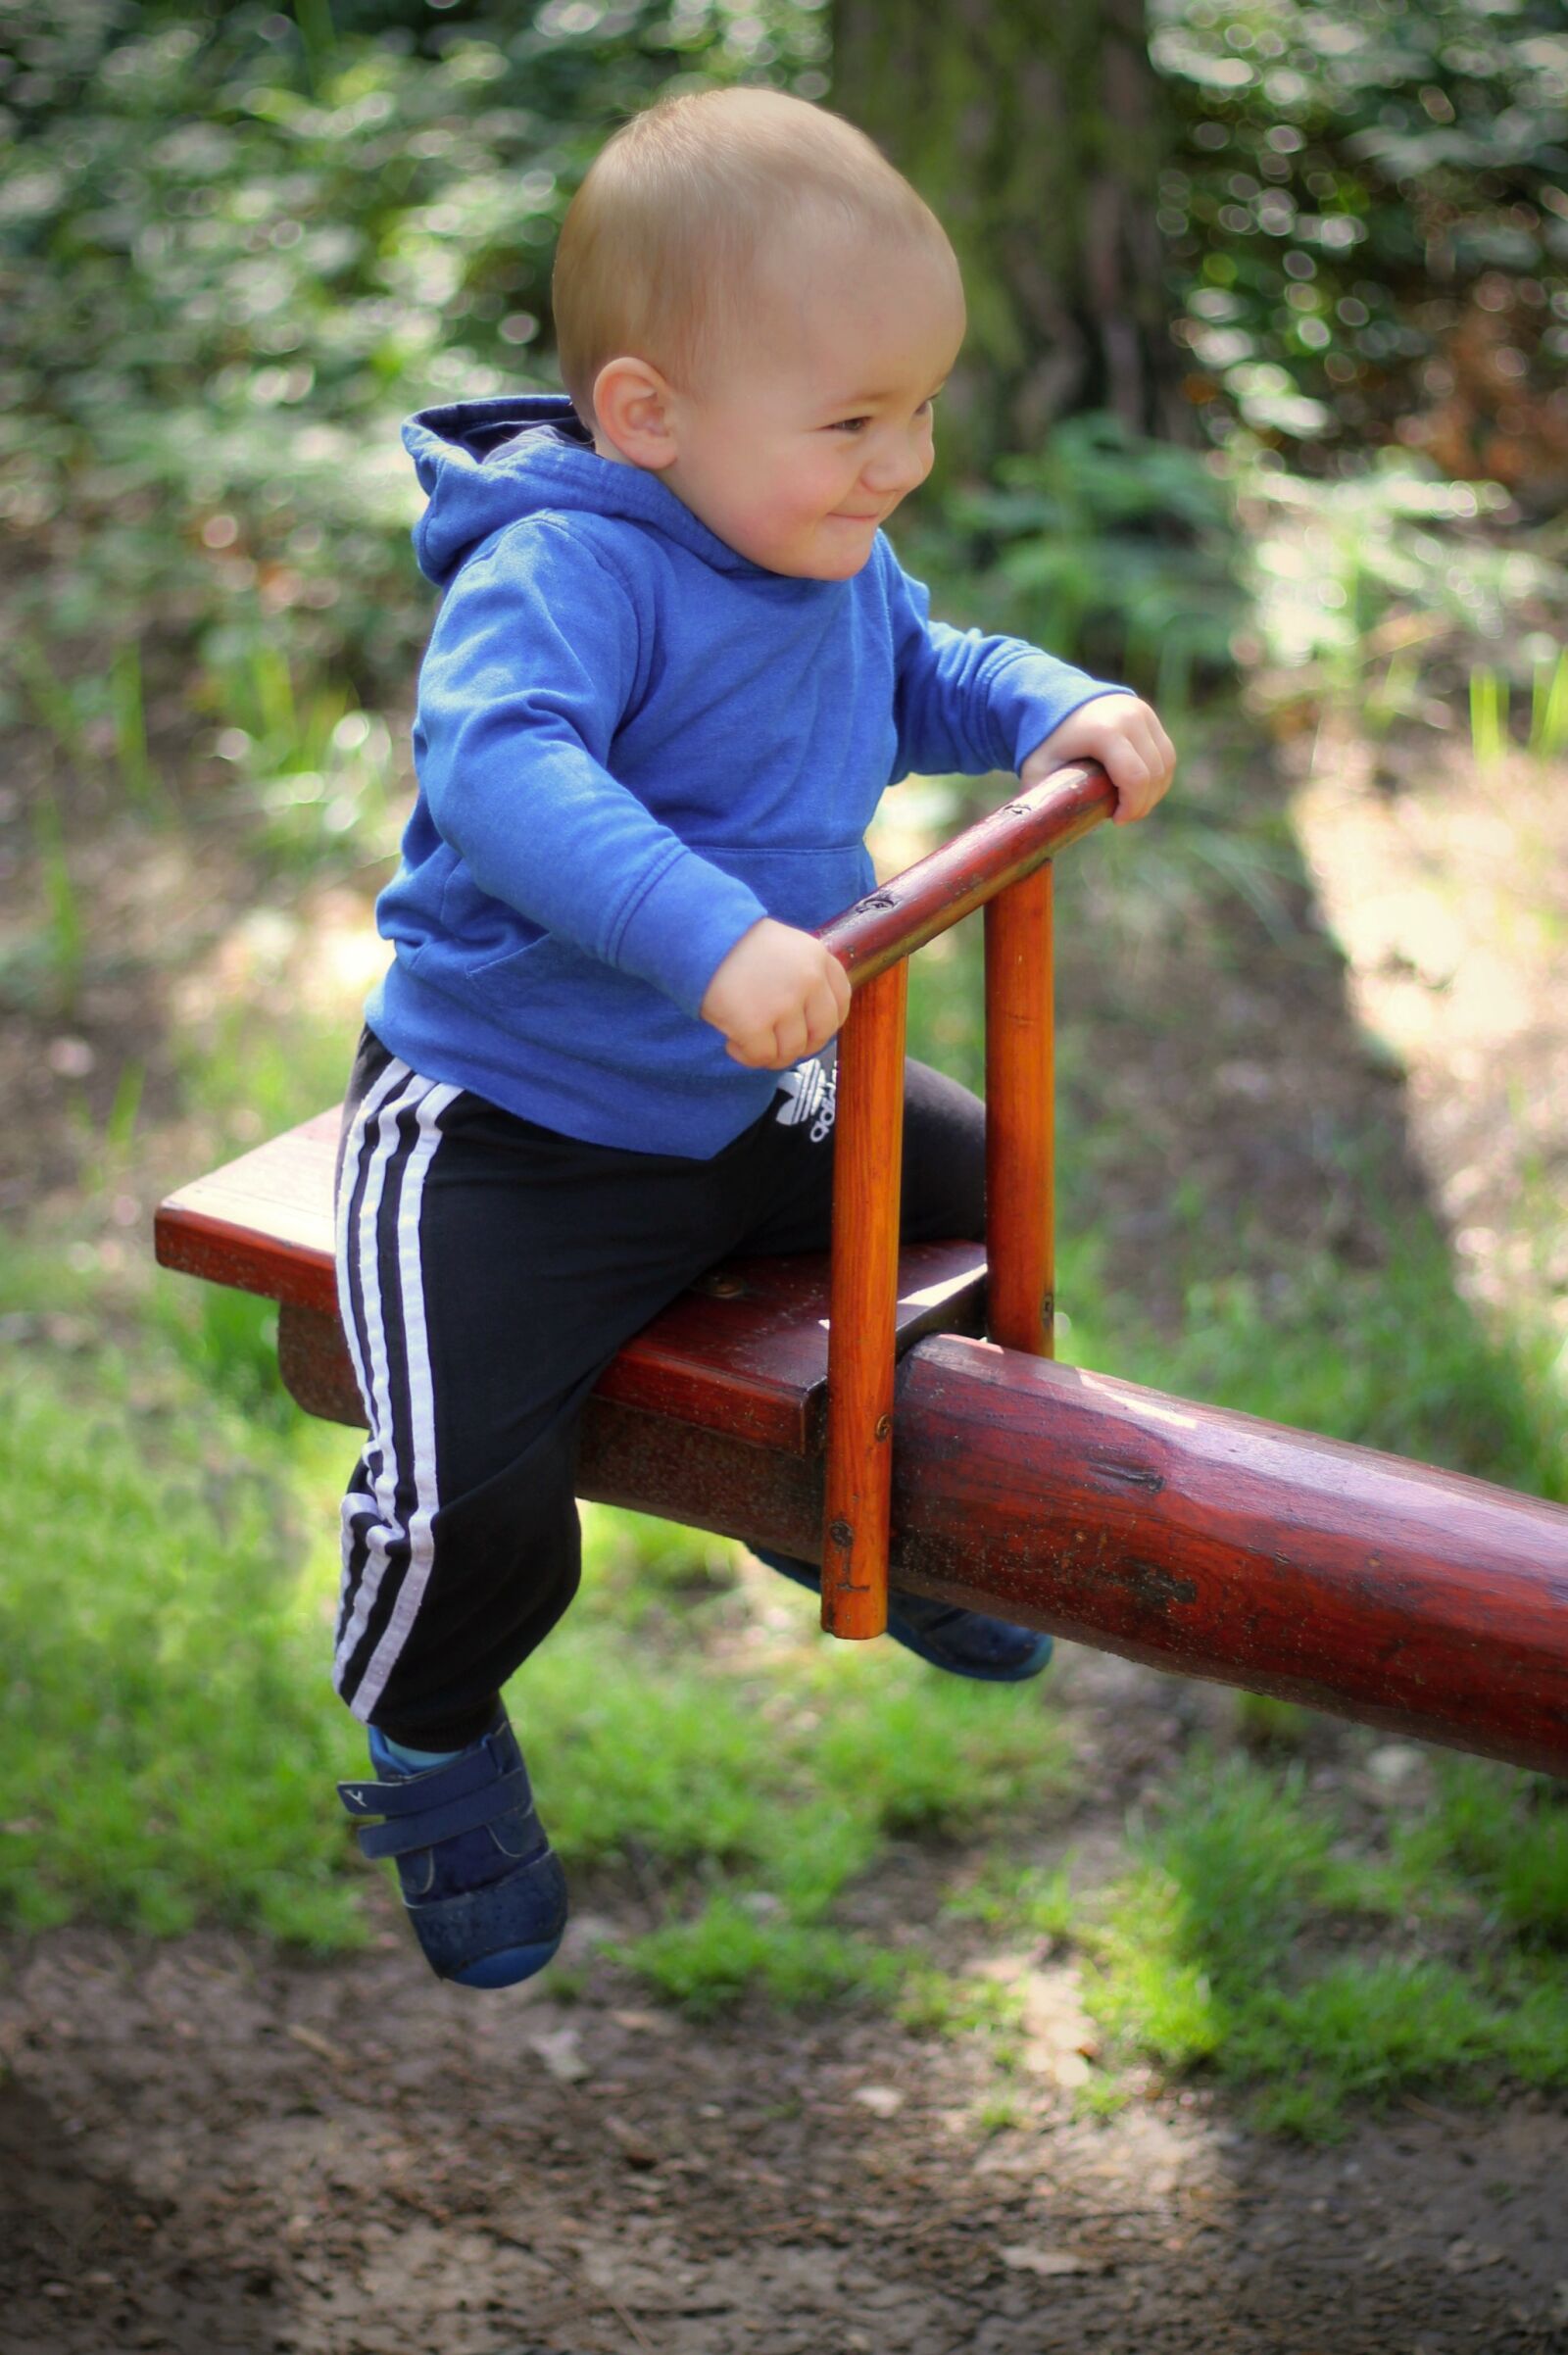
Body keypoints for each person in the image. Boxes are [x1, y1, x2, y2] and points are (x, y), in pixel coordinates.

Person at [333, 86, 1176, 1989]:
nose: (902, 462)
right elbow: (501, 770)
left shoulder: (818, 545)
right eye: (853, 420)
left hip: (738, 1099)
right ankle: (432, 1732)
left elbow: (919, 668)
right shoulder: (567, 568)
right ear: (649, 415)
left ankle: (846, 1506)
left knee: (978, 1203)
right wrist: (705, 930)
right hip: (510, 1123)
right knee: (462, 1486)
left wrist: (1056, 700)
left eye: (919, 409)